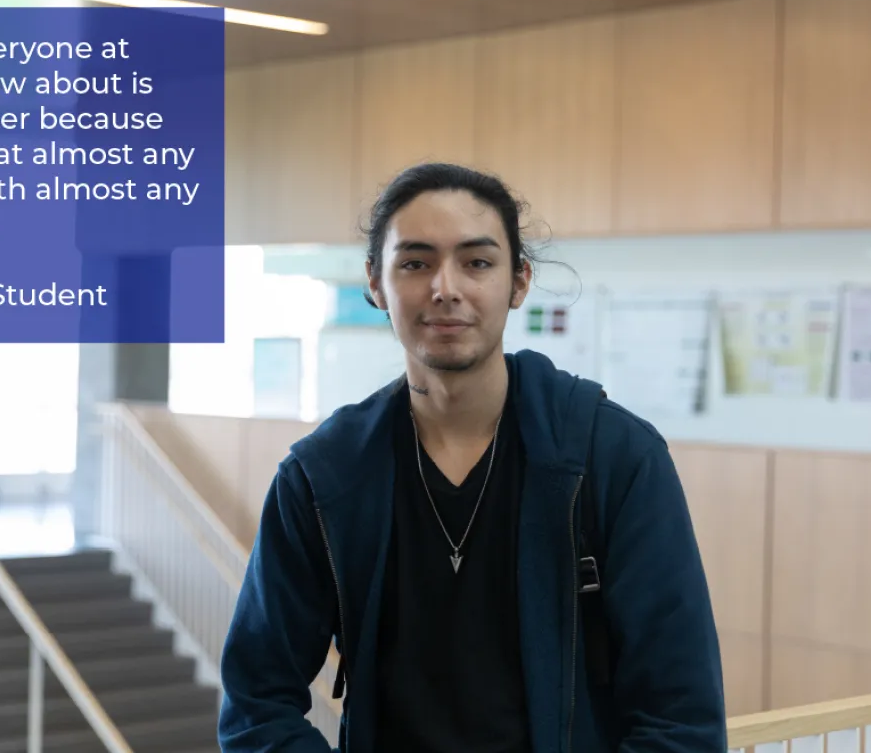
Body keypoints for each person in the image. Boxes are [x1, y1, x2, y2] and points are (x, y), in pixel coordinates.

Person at [217, 162, 727, 753]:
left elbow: (681, 717)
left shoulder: (614, 459)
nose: (445, 287)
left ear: (518, 282)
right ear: (376, 284)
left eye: (477, 262)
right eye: (416, 263)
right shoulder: (324, 477)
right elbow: (255, 703)